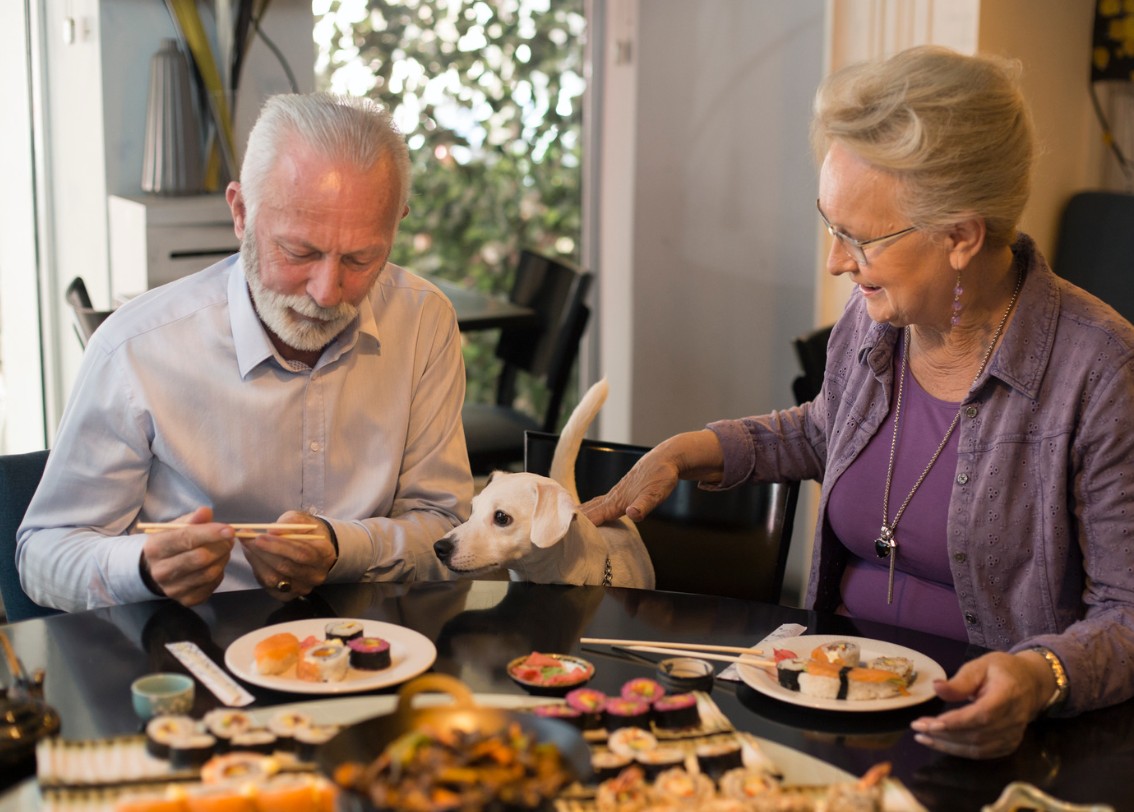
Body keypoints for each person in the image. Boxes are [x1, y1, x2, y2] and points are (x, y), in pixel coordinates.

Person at [583, 45, 1134, 759]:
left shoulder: (1101, 369)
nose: (837, 262)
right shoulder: (877, 313)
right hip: (823, 700)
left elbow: (1126, 615)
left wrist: (1040, 675)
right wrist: (690, 452)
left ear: (961, 236)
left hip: (978, 736)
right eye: (830, 224)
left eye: (859, 238)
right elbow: (826, 429)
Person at [18, 92, 472, 612]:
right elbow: (43, 556)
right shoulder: (135, 349)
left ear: (396, 227)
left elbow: (449, 533)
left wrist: (343, 547)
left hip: (365, 647)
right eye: (299, 252)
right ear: (240, 213)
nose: (327, 292)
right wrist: (143, 566)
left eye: (362, 258)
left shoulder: (422, 322)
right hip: (192, 647)